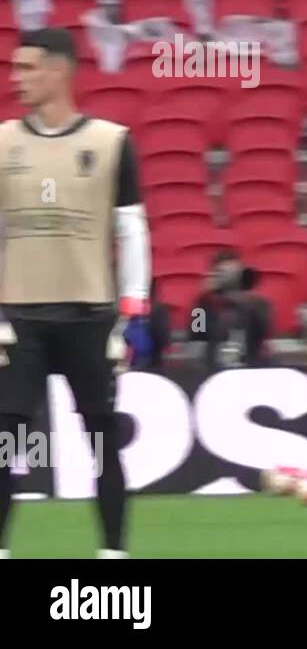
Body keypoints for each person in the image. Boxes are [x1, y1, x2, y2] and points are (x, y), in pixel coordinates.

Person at [0, 28, 151, 559]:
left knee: (104, 438)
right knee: (7, 442)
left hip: (90, 315)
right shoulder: (2, 143)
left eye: (27, 68)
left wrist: (133, 309)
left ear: (60, 71)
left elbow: (131, 228)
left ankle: (113, 555)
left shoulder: (110, 141)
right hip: (18, 318)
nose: (17, 78)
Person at [190, 250, 271, 370]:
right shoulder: (202, 304)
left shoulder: (257, 304)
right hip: (214, 366)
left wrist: (237, 299)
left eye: (234, 274)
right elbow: (196, 335)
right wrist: (208, 297)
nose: (230, 279)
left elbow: (264, 330)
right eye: (222, 273)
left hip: (251, 366)